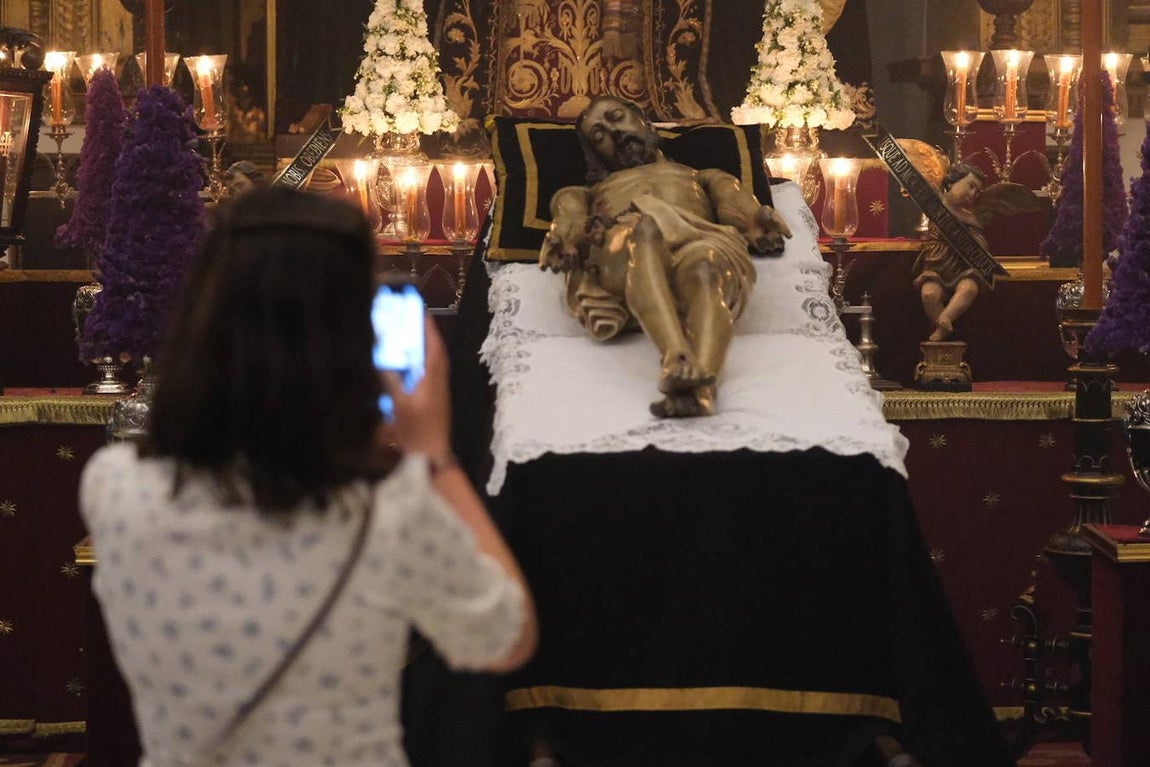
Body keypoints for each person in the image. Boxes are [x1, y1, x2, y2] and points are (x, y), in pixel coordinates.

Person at [79, 187, 537, 767]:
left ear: (205, 316)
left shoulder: (114, 487)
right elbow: (506, 636)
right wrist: (433, 452)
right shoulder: (390, 511)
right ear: (350, 339)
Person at [540, 94, 793, 418]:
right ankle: (675, 356)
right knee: (645, 230)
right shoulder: (584, 193)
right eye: (599, 136)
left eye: (616, 117)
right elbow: (568, 220)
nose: (613, 133)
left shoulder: (703, 176)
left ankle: (700, 390)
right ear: (595, 155)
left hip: (698, 240)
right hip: (625, 249)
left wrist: (760, 220)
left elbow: (737, 204)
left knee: (705, 269)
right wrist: (563, 239)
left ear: (643, 120)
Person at [913, 163, 988, 342]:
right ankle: (946, 336)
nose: (972, 194)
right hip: (936, 264)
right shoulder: (934, 204)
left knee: (968, 288)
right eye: (970, 186)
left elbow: (981, 246)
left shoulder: (970, 218)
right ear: (953, 181)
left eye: (976, 191)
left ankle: (943, 325)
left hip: (962, 267)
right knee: (929, 294)